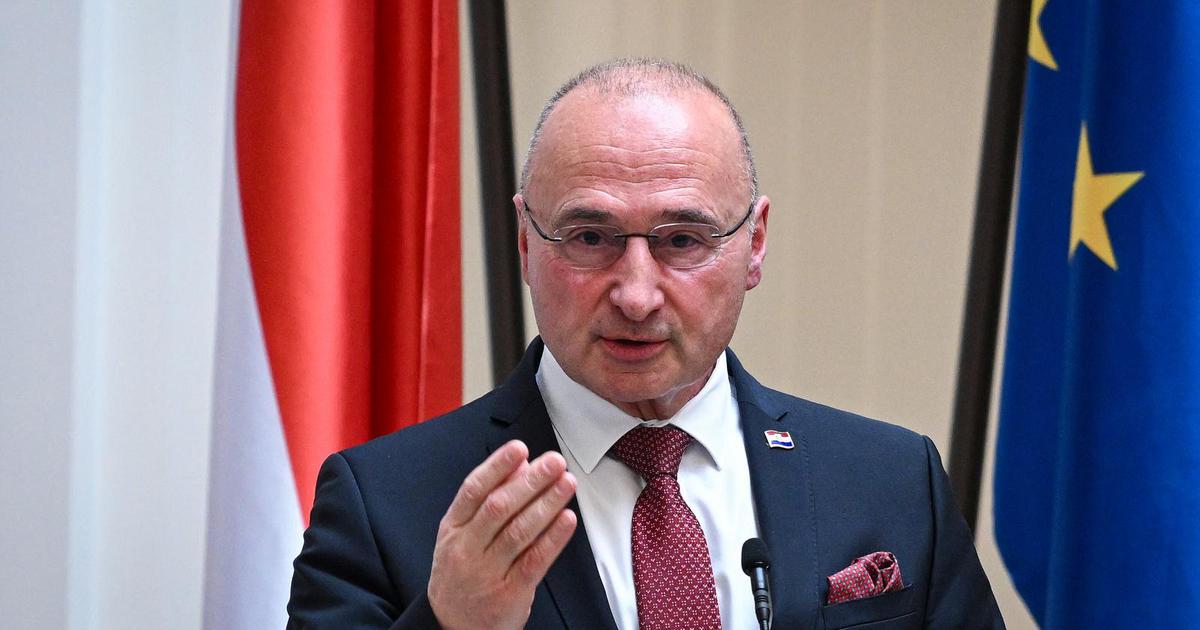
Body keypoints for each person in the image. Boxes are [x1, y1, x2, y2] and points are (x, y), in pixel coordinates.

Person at [287, 58, 1004, 629]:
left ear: (754, 244)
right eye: (589, 237)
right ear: (526, 243)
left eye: (682, 240)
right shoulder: (385, 503)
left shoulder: (889, 480)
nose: (636, 294)